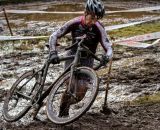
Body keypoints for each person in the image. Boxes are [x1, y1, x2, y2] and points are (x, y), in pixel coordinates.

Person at [49, 0, 113, 117]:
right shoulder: (75, 22)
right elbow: (54, 35)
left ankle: (65, 106)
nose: (93, 21)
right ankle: (62, 115)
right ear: (85, 12)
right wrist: (53, 52)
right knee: (71, 86)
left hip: (87, 60)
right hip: (72, 56)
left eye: (96, 19)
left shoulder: (99, 28)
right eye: (92, 17)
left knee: (80, 94)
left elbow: (109, 47)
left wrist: (106, 57)